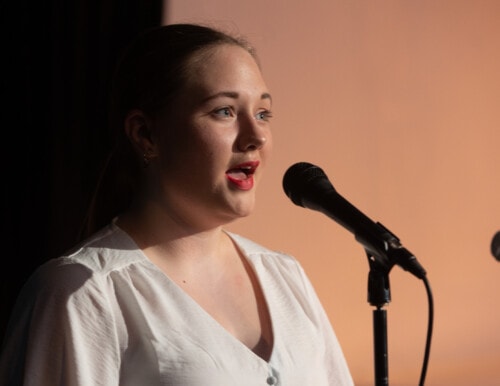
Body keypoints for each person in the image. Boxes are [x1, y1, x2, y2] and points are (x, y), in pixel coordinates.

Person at [0, 23, 354, 385]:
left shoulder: (285, 276)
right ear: (146, 134)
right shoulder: (83, 290)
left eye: (263, 113)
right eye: (224, 111)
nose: (256, 136)